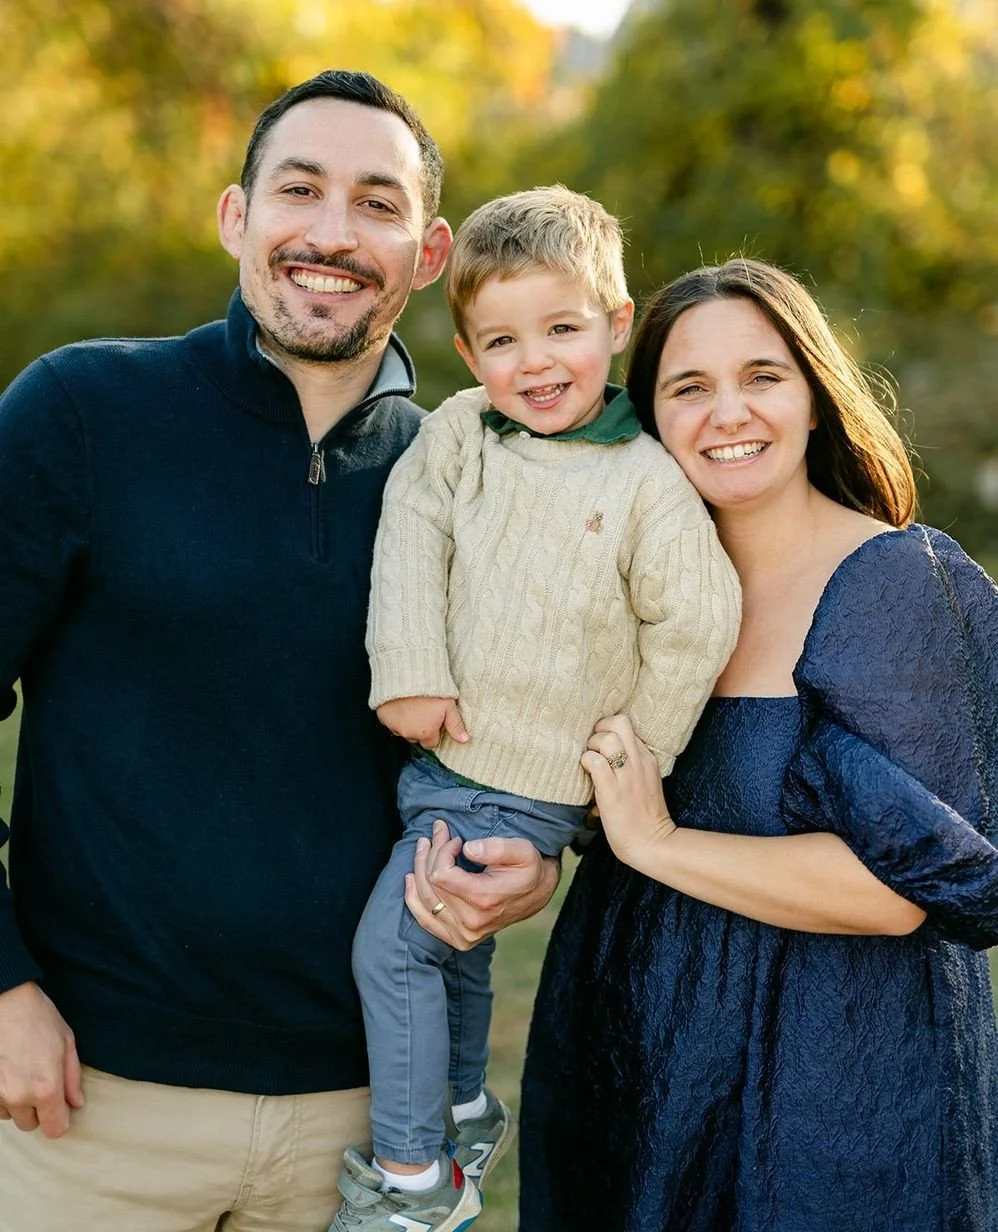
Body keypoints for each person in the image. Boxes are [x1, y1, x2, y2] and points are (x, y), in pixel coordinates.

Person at [0, 69, 557, 1232]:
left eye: (376, 202)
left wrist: (537, 856)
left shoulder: (477, 475)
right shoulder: (84, 411)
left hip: (366, 1127)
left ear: (429, 250)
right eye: (298, 189)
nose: (331, 232)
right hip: (85, 1108)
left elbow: (532, 718)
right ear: (235, 217)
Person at [519, 257, 998, 1231]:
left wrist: (655, 843)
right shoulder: (635, 593)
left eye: (761, 376)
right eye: (687, 387)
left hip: (832, 1092)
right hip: (635, 1064)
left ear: (814, 399)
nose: (725, 412)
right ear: (648, 423)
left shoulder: (896, 584)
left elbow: (891, 892)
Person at [332, 186, 741, 1231]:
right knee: (452, 944)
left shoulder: (647, 477)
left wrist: (627, 760)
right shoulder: (462, 433)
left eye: (562, 328)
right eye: (503, 340)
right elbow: (411, 533)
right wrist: (410, 667)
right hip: (445, 755)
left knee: (394, 947)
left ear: (614, 325)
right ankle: (463, 1108)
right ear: (469, 355)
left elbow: (693, 620)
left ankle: (412, 1182)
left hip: (528, 782)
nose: (536, 362)